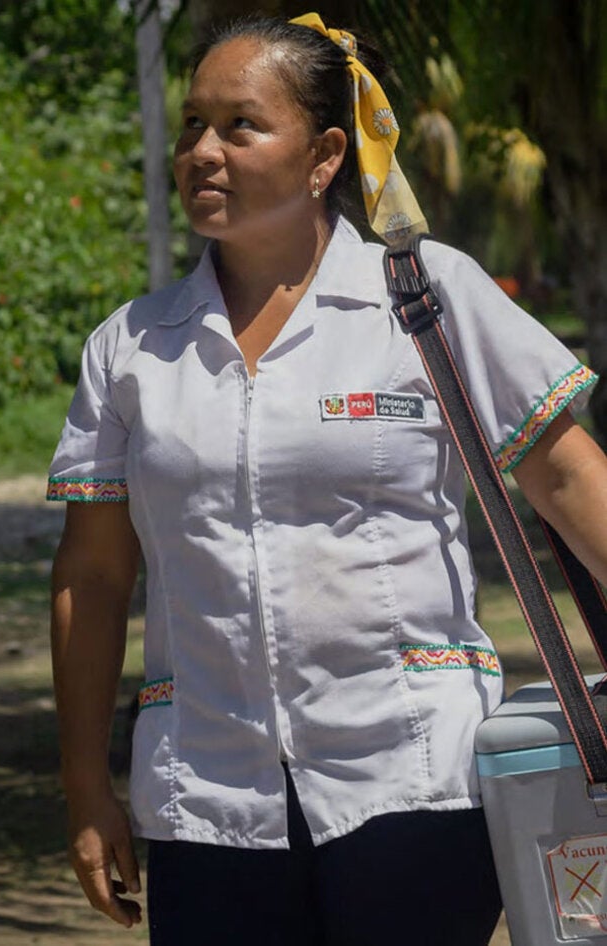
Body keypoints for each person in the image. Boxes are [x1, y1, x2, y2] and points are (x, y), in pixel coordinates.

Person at [47, 14, 607, 946]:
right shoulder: (130, 348)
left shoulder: (427, 298)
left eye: (239, 126)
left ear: (324, 155)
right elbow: (93, 577)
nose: (202, 152)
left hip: (415, 780)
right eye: (191, 125)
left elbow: (574, 482)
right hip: (206, 797)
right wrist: (84, 787)